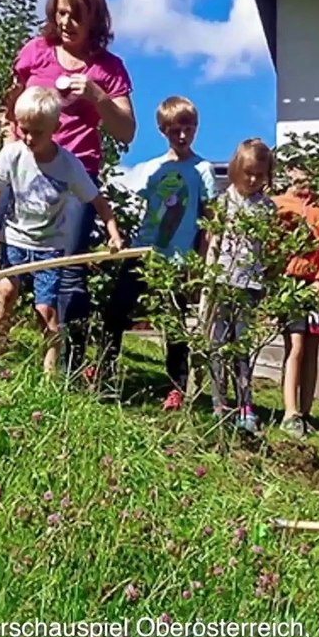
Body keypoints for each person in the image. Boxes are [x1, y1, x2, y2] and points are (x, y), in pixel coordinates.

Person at [0, 0, 135, 376]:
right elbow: (11, 99)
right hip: (22, 167)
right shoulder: (37, 51)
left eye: (76, 15)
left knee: (67, 268)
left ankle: (67, 367)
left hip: (71, 178)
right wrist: (7, 136)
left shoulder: (108, 69)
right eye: (61, 13)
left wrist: (96, 96)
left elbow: (126, 130)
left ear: (95, 20)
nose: (66, 22)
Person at [0, 87, 124, 373]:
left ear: (56, 128)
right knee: (5, 292)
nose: (30, 138)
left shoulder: (69, 165)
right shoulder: (12, 154)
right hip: (16, 241)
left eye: (38, 132)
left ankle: (49, 375)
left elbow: (99, 203)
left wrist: (113, 234)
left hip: (49, 250)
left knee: (46, 312)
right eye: (25, 129)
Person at [96, 96, 216, 409]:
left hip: (176, 260)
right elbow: (136, 206)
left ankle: (176, 386)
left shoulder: (202, 169)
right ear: (163, 130)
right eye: (174, 129)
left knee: (173, 322)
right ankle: (105, 372)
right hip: (142, 251)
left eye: (187, 128)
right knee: (117, 311)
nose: (181, 135)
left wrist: (200, 263)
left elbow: (208, 221)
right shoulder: (151, 169)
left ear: (195, 129)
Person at [202, 138, 276, 433]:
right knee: (217, 346)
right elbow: (212, 245)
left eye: (260, 174)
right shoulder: (224, 202)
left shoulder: (267, 208)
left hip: (249, 285)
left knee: (242, 347)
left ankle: (246, 406)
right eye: (248, 173)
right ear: (235, 170)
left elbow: (268, 250)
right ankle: (220, 405)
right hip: (222, 282)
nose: (254, 179)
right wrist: (207, 282)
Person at [272, 166, 319, 438]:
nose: (304, 179)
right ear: (288, 173)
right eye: (298, 172)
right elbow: (272, 246)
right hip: (291, 284)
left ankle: (306, 411)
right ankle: (290, 412)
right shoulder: (278, 206)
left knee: (313, 347)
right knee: (296, 344)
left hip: (317, 287)